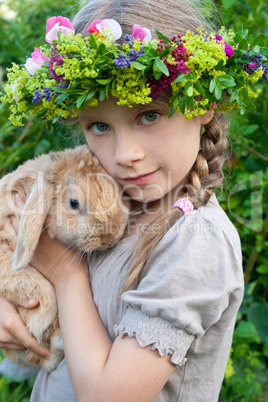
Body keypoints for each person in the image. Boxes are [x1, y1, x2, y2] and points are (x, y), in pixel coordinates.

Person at [1, 0, 267, 400]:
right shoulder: (100, 196)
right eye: (99, 125)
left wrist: (64, 273)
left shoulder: (195, 242)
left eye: (149, 115)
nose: (125, 154)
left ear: (203, 104)